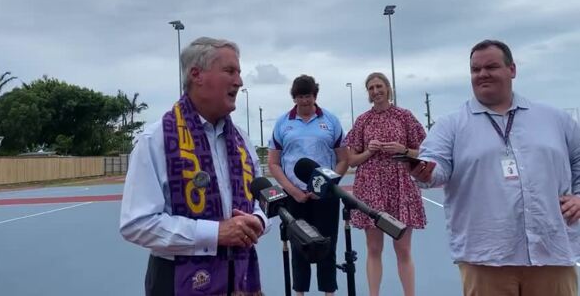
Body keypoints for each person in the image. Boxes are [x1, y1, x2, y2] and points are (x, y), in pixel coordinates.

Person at [411, 39, 580, 296]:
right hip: (486, 257)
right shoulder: (451, 125)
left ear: (512, 70)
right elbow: (436, 168)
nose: (482, 74)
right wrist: (425, 171)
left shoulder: (555, 119)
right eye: (475, 69)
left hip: (552, 251)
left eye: (491, 66)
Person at [120, 37, 270, 296]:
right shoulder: (155, 140)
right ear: (196, 75)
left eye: (239, 72)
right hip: (177, 279)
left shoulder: (242, 141)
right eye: (229, 71)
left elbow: (261, 200)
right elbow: (137, 223)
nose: (239, 81)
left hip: (240, 276)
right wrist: (215, 233)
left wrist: (257, 219)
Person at [343, 72, 427, 296]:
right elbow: (352, 159)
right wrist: (369, 151)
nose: (375, 91)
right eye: (371, 88)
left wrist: (404, 150)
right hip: (371, 189)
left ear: (388, 88)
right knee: (373, 248)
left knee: (402, 248)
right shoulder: (362, 120)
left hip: (400, 188)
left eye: (379, 86)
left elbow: (425, 152)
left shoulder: (404, 116)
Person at [267, 74, 348, 296]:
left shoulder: (330, 121)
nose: (305, 101)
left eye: (309, 96)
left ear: (315, 96)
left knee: (327, 246)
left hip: (325, 196)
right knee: (299, 247)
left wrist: (327, 184)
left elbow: (343, 159)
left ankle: (328, 292)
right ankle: (300, 292)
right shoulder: (283, 123)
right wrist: (292, 190)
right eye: (300, 97)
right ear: (294, 98)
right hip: (295, 196)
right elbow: (273, 163)